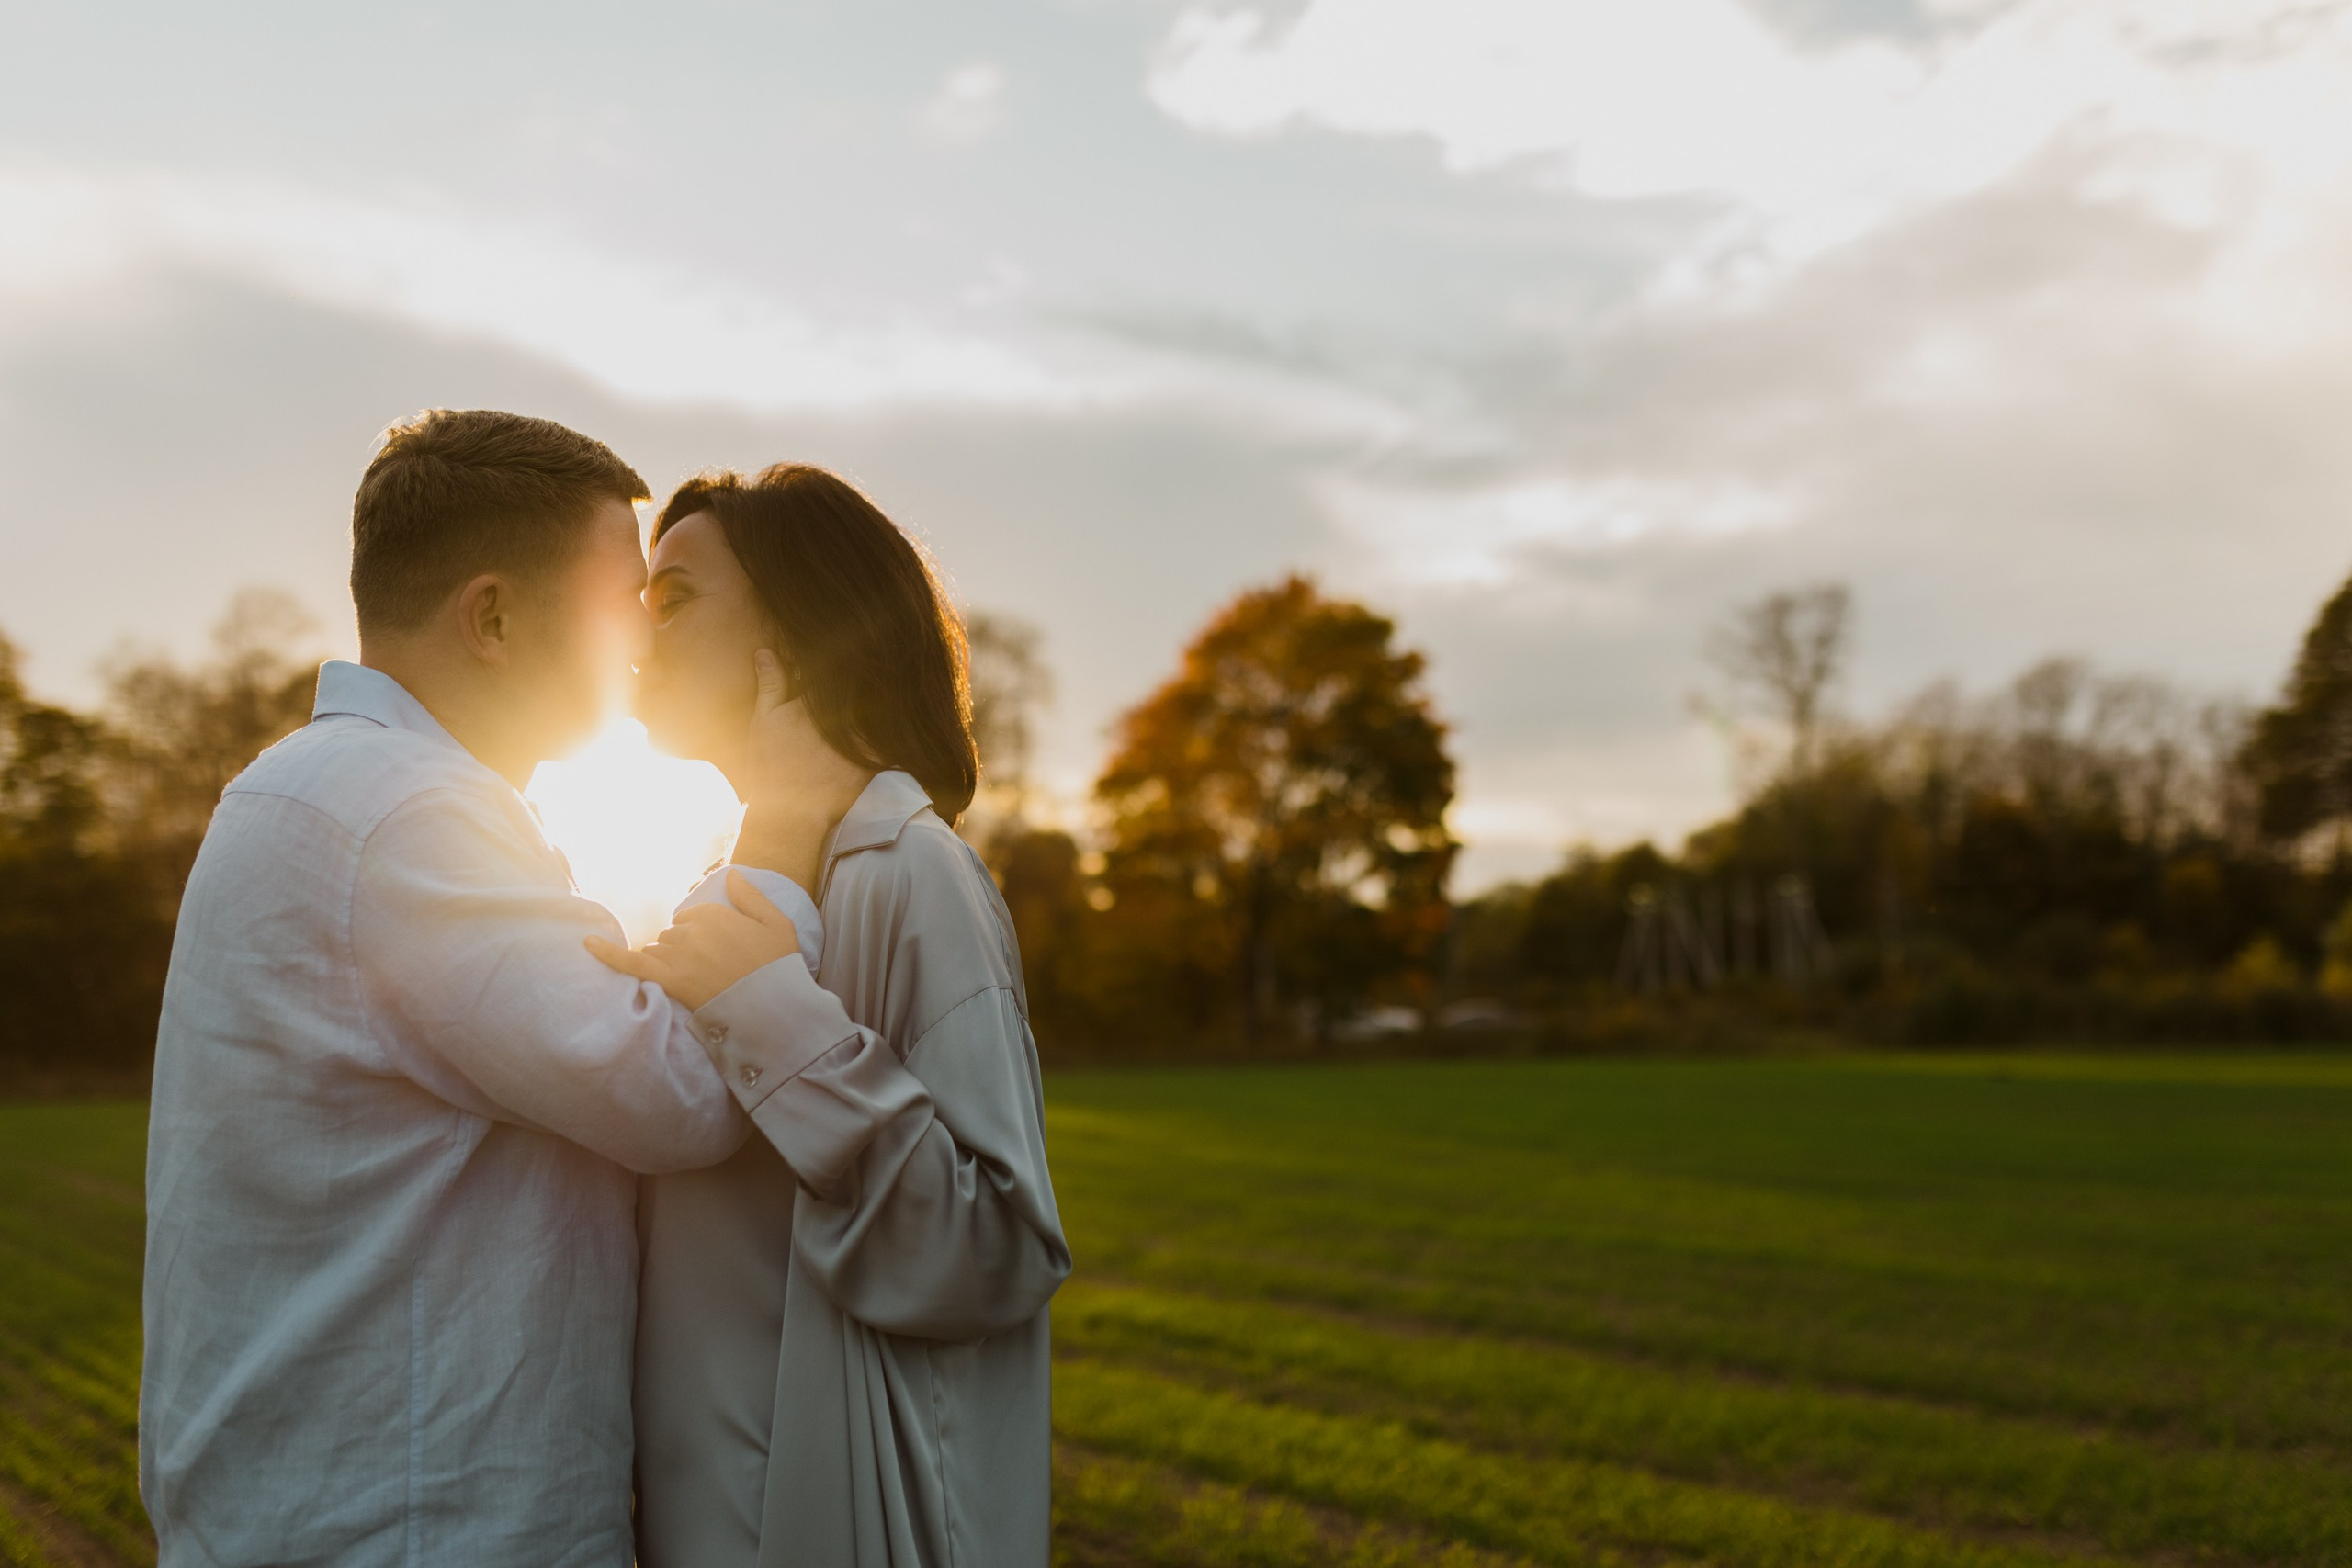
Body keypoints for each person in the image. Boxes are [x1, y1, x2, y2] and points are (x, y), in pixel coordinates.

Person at [140, 411, 813, 1568]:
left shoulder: (310, 788)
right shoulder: (405, 811)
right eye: (620, 606)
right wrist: (788, 833)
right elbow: (676, 1094)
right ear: (493, 616)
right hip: (410, 1534)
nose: (642, 648)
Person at [592, 464, 1070, 1568]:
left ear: (802, 632)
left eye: (673, 599)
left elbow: (994, 1248)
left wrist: (778, 1021)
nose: (635, 636)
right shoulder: (744, 881)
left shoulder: (913, 874)